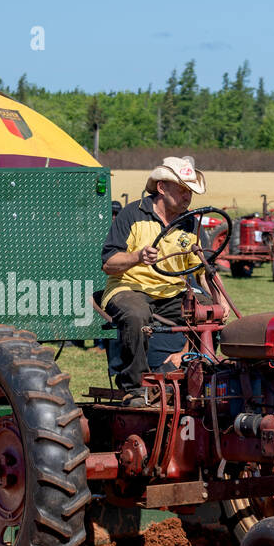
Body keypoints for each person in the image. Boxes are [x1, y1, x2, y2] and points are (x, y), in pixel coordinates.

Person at [101, 156, 209, 403]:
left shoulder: (189, 222)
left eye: (190, 192)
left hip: (171, 292)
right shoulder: (132, 214)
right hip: (129, 287)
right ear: (162, 187)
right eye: (182, 190)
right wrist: (138, 256)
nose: (187, 197)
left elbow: (202, 269)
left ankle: (182, 367)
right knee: (136, 314)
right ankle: (135, 387)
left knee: (209, 312)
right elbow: (109, 263)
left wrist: (221, 303)